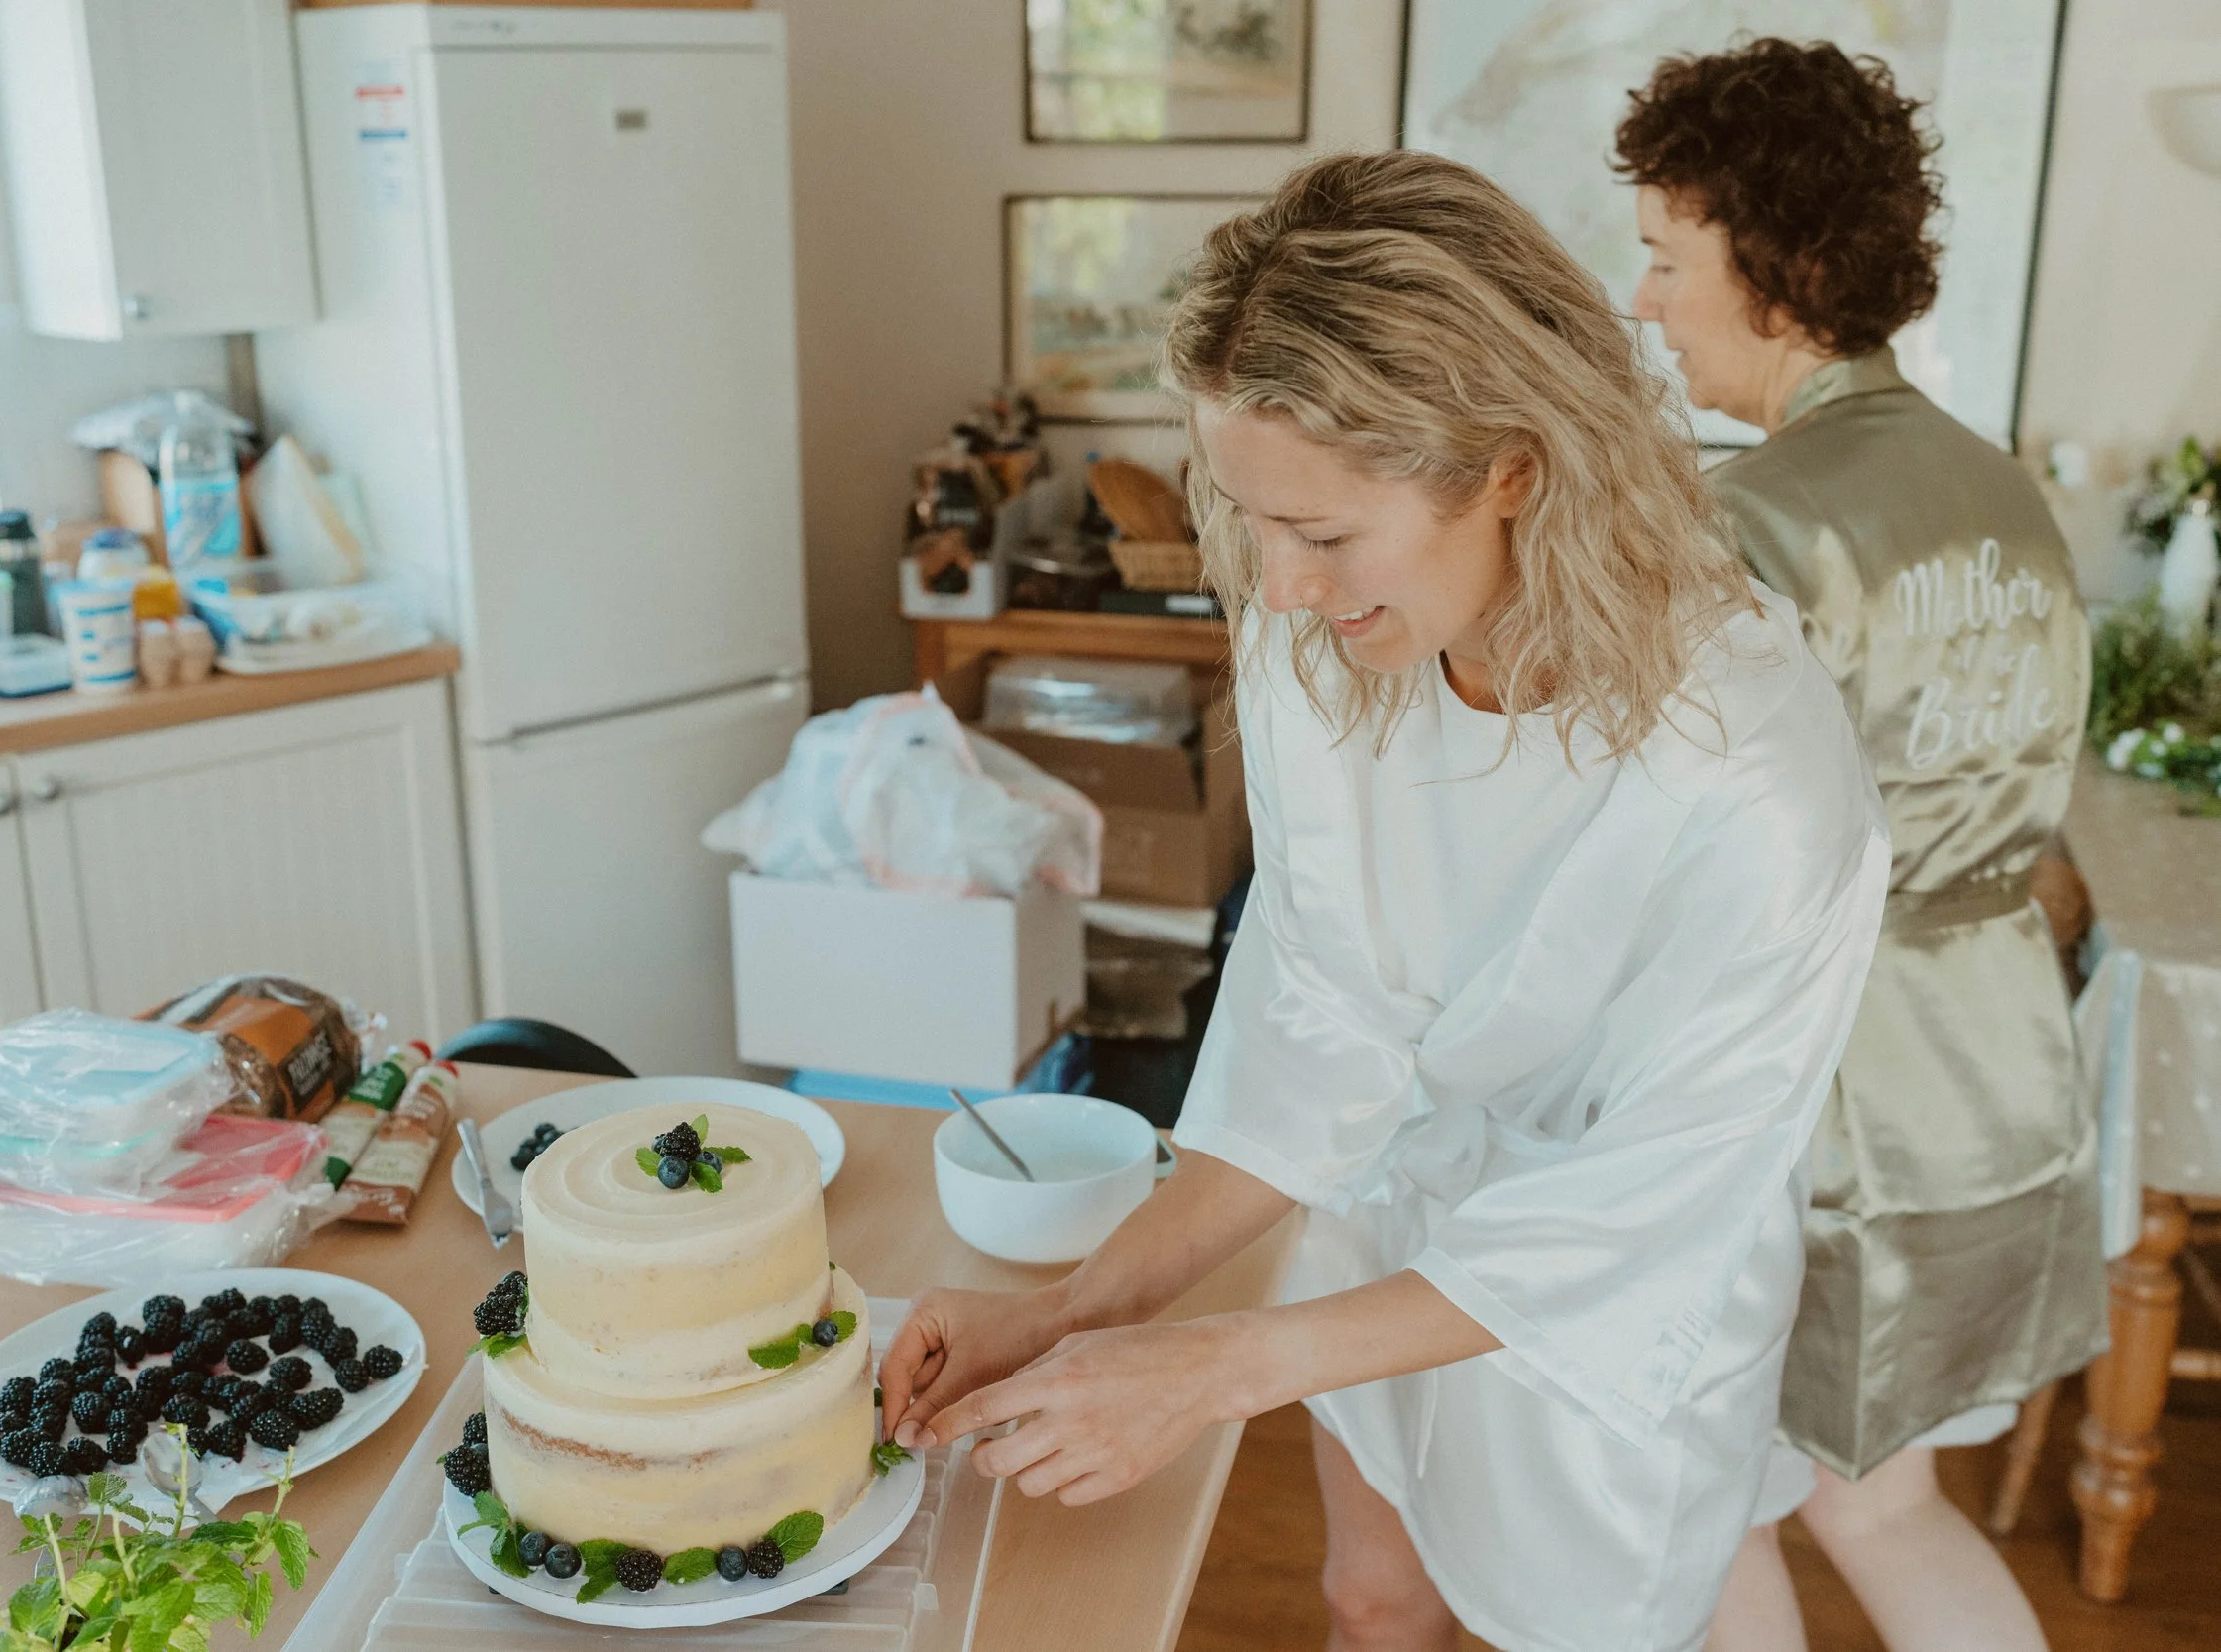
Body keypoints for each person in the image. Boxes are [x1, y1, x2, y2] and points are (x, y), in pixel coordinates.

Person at [878, 149, 1891, 1652]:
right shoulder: (1329, 645)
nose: (1278, 591)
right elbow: (1325, 1025)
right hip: (1385, 1210)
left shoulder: (1755, 775)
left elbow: (1643, 1210)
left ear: (1514, 469)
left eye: (1328, 533)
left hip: (1607, 1298)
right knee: (1367, 1593)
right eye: (1252, 519)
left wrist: (1216, 1365)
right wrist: (1076, 1310)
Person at [1616, 39, 2101, 1652]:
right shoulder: (2006, 492)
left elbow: (1688, 853)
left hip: (1812, 1098)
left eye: (1666, 258)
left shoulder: (1754, 519)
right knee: (1883, 1501)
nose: (1644, 302)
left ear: (1782, 269)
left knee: (1707, 1498)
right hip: (1995, 1062)